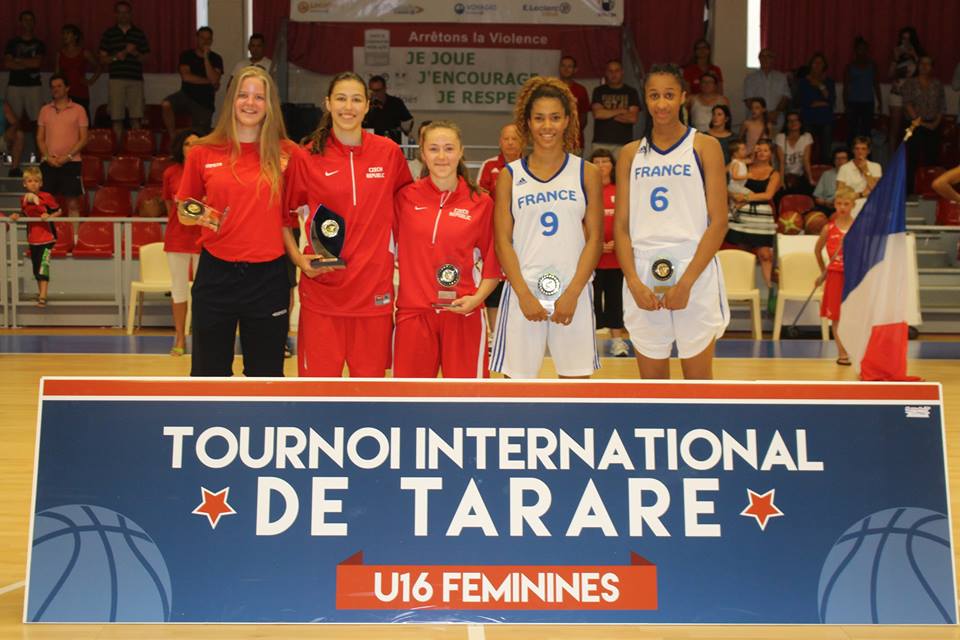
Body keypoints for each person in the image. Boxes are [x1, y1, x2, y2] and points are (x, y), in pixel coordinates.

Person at [175, 66, 305, 377]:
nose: (250, 103)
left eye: (259, 97)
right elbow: (184, 209)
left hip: (269, 278)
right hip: (215, 274)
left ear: (269, 104)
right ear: (231, 100)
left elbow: (298, 213)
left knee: (266, 377)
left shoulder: (290, 154)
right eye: (243, 95)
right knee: (208, 375)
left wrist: (303, 259)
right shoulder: (202, 151)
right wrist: (206, 217)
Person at [284, 72, 413, 377]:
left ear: (367, 106)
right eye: (341, 99)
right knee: (318, 393)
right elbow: (283, 215)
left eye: (356, 100)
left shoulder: (388, 153)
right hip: (323, 294)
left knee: (368, 395)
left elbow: (409, 210)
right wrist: (299, 259)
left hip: (373, 294)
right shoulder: (306, 157)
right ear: (328, 103)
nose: (348, 107)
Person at [614, 63, 729, 380]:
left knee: (698, 386)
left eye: (668, 95)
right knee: (653, 390)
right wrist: (633, 282)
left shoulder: (705, 146)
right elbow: (621, 226)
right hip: (643, 269)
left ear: (683, 97)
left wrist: (686, 282)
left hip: (694, 267)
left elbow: (719, 222)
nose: (661, 103)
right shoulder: (630, 154)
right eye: (654, 95)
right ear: (645, 99)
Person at [491, 76, 603, 379]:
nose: (547, 126)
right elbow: (502, 241)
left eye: (555, 117)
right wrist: (523, 294)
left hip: (573, 291)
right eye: (539, 118)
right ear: (528, 122)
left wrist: (573, 292)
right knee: (516, 390)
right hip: (523, 291)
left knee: (576, 387)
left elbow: (595, 240)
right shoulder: (510, 175)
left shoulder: (586, 172)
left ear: (567, 120)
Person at [393, 121, 500, 378]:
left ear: (461, 151)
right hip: (414, 314)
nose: (441, 156)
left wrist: (476, 300)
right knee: (410, 396)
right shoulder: (404, 198)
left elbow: (493, 264)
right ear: (422, 153)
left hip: (463, 312)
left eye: (449, 148)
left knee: (467, 397)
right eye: (434, 149)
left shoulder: (481, 202)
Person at [477, 123, 522, 333]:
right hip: (496, 233)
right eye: (506, 138)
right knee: (494, 279)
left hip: (524, 233)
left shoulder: (532, 165)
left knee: (520, 280)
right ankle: (495, 334)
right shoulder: (489, 166)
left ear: (523, 141)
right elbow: (480, 198)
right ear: (500, 141)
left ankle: (517, 332)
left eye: (515, 138)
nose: (510, 143)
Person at [162, 128, 202, 356]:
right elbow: (169, 205)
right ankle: (179, 337)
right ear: (181, 147)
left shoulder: (208, 170)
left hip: (203, 239)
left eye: (196, 144)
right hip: (177, 238)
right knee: (178, 289)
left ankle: (201, 337)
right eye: (188, 144)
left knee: (202, 291)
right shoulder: (171, 173)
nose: (192, 148)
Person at [725, 138, 781, 296]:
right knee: (744, 254)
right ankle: (744, 290)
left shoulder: (774, 173)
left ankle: (770, 291)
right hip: (742, 214)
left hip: (762, 217)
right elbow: (727, 183)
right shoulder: (742, 166)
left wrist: (746, 197)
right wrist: (733, 195)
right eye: (759, 149)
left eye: (765, 150)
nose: (761, 153)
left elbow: (768, 195)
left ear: (771, 154)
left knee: (765, 254)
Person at [589, 148, 629, 357]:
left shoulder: (620, 190)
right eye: (596, 161)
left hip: (616, 258)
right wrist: (595, 244)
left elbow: (628, 220)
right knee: (590, 301)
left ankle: (617, 341)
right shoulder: (586, 191)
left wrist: (620, 242)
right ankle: (588, 343)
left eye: (605, 161)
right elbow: (579, 221)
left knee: (616, 300)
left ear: (612, 166)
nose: (601, 165)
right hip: (592, 259)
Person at [815, 186, 856, 366]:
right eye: (839, 203)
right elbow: (817, 250)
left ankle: (856, 349)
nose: (842, 207)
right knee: (836, 316)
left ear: (853, 205)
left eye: (846, 204)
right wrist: (823, 272)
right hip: (835, 276)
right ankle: (842, 353)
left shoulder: (858, 227)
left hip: (853, 277)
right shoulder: (828, 228)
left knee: (853, 314)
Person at [9, 167, 61, 307]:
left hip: (47, 238)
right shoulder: (23, 199)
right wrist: (17, 215)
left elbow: (59, 210)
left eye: (36, 181)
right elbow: (24, 213)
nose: (33, 184)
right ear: (24, 183)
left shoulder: (47, 196)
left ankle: (43, 297)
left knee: (43, 267)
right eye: (30, 181)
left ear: (41, 183)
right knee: (36, 267)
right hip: (33, 239)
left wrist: (49, 216)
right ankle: (41, 293)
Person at [99, 0, 150, 139]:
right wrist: (116, 57)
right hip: (116, 79)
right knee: (116, 117)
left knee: (136, 117)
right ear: (115, 14)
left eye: (126, 12)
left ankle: (136, 145)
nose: (123, 15)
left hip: (135, 79)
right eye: (120, 12)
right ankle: (118, 147)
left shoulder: (138, 33)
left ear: (130, 14)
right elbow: (102, 59)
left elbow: (146, 58)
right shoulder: (109, 33)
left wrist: (135, 53)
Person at [162, 27, 223, 139]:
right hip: (185, 95)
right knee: (166, 104)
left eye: (208, 39)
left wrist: (206, 58)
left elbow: (214, 79)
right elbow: (186, 77)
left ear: (211, 40)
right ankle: (173, 136)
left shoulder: (216, 58)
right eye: (202, 38)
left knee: (199, 134)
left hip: (205, 102)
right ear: (196, 38)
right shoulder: (186, 55)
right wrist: (209, 82)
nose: (205, 41)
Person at [36, 74, 88, 201]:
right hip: (48, 162)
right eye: (53, 87)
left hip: (72, 162)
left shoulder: (79, 110)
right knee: (45, 203)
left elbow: (84, 139)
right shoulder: (44, 110)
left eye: (59, 86)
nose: (55, 89)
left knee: (73, 203)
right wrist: (47, 157)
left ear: (67, 88)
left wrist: (68, 157)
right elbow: (39, 138)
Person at [901, 55, 946, 194]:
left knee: (932, 160)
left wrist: (935, 123)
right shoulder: (910, 83)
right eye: (922, 63)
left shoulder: (937, 84)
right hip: (915, 125)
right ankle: (909, 191)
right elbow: (907, 104)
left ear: (932, 67)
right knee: (912, 160)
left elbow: (941, 105)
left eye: (928, 64)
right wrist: (922, 123)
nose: (925, 66)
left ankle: (930, 191)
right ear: (918, 65)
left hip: (934, 125)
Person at [4, 10, 46, 131]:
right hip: (15, 85)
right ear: (20, 22)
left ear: (34, 23)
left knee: (38, 121)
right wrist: (29, 63)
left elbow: (36, 63)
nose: (28, 22)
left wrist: (17, 60)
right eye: (25, 20)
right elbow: (8, 64)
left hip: (34, 86)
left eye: (30, 20)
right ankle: (14, 143)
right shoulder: (12, 43)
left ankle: (38, 143)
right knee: (12, 121)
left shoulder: (39, 44)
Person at [591, 60, 640, 156]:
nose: (613, 74)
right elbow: (598, 114)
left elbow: (632, 118)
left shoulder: (631, 92)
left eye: (617, 71)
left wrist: (607, 113)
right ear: (606, 73)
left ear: (622, 72)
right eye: (610, 71)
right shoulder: (598, 91)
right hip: (601, 142)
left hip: (624, 143)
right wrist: (621, 111)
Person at [795, 52, 836, 163]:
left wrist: (819, 85)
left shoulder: (829, 81)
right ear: (811, 65)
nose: (817, 65)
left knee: (826, 150)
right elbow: (803, 101)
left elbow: (831, 100)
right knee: (807, 150)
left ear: (824, 65)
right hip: (809, 119)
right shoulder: (803, 82)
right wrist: (822, 102)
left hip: (825, 119)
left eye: (820, 63)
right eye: (815, 63)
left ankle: (825, 170)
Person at [56, 24, 101, 121]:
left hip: (80, 92)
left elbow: (99, 67)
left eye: (68, 33)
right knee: (65, 122)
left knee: (82, 121)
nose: (64, 36)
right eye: (63, 33)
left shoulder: (84, 52)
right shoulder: (60, 53)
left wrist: (91, 80)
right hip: (65, 93)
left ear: (75, 36)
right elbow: (56, 75)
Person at [887, 26, 923, 149]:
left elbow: (923, 72)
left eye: (909, 39)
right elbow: (889, 75)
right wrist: (895, 58)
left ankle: (909, 157)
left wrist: (914, 55)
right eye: (903, 39)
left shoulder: (918, 55)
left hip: (913, 97)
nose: (906, 42)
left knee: (911, 130)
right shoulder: (897, 54)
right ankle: (893, 157)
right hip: (897, 95)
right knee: (895, 129)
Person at [843, 37, 881, 144]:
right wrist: (846, 104)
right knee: (852, 130)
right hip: (853, 102)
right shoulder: (850, 66)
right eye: (859, 49)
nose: (862, 51)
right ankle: (850, 152)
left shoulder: (872, 65)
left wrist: (880, 102)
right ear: (855, 50)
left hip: (868, 102)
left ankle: (867, 153)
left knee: (866, 131)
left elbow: (876, 85)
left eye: (864, 49)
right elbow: (846, 87)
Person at [743, 48, 791, 132]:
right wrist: (764, 115)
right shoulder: (750, 78)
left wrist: (775, 112)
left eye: (768, 56)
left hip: (776, 119)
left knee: (775, 140)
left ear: (773, 59)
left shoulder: (782, 77)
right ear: (759, 59)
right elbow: (748, 100)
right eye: (762, 56)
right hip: (755, 120)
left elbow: (786, 97)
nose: (765, 59)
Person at [362, 75, 413, 145]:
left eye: (378, 90)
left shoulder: (396, 103)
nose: (375, 93)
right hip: (371, 143)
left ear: (384, 89)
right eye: (372, 90)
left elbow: (408, 122)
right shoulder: (366, 105)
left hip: (393, 143)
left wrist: (401, 129)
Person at [836, 136, 881, 212]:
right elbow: (840, 193)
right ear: (853, 150)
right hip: (850, 206)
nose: (860, 152)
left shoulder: (876, 166)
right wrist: (862, 194)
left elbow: (877, 190)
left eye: (863, 149)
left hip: (871, 205)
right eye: (857, 149)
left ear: (868, 151)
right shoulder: (844, 168)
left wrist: (865, 170)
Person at [774, 111, 814, 194]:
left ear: (800, 122)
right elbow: (781, 162)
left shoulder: (807, 136)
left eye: (796, 120)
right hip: (783, 175)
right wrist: (781, 182)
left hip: (799, 176)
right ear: (786, 124)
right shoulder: (780, 137)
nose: (793, 123)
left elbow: (806, 160)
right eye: (790, 121)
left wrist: (810, 179)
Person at [559, 55, 590, 150]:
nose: (566, 69)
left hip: (575, 142)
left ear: (575, 69)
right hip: (555, 141)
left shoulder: (581, 90)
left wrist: (573, 130)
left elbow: (584, 118)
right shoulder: (551, 88)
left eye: (569, 66)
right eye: (563, 66)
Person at [812, 147, 850, 215]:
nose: (840, 161)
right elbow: (817, 198)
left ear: (848, 161)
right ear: (834, 161)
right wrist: (825, 203)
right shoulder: (826, 174)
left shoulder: (854, 175)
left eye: (843, 158)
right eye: (837, 158)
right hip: (828, 207)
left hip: (847, 207)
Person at [1, 100, 25, 177]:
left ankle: (14, 170)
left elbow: (16, 123)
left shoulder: (3, 105)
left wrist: (11, 129)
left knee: (19, 135)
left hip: (1, 139)